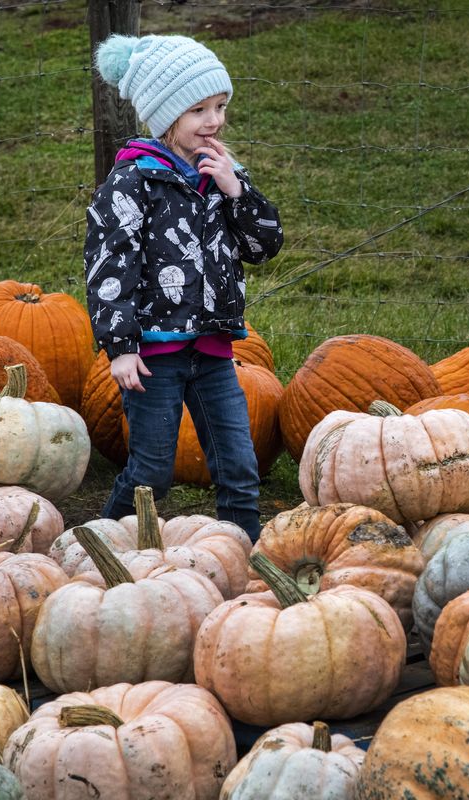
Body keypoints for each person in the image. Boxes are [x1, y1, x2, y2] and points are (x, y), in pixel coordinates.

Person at [85, 34, 283, 540]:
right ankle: (100, 543)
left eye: (219, 106)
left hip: (213, 350)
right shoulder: (133, 182)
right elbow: (111, 266)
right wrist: (119, 346)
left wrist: (236, 191)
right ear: (166, 116)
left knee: (239, 466)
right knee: (152, 471)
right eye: (198, 110)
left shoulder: (221, 175)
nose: (213, 121)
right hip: (154, 354)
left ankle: (243, 554)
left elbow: (263, 246)